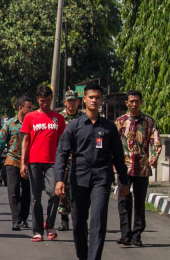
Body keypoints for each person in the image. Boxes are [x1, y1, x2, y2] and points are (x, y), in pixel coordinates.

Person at [55, 83, 129, 260]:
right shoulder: (74, 126)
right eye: (91, 97)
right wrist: (59, 179)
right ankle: (82, 256)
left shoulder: (109, 128)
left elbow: (118, 156)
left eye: (97, 97)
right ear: (84, 100)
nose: (94, 100)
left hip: (101, 179)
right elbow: (62, 153)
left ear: (102, 100)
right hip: (79, 178)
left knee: (98, 219)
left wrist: (124, 181)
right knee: (79, 221)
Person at [114, 89, 161, 247]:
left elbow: (156, 141)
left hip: (142, 168)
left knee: (139, 203)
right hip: (124, 169)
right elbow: (112, 143)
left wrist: (154, 156)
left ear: (141, 102)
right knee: (124, 201)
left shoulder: (149, 122)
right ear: (127, 103)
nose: (134, 104)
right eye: (131, 101)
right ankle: (125, 234)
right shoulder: (120, 122)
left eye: (137, 101)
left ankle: (137, 234)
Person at [20, 85, 65, 242]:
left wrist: (62, 162)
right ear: (37, 100)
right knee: (35, 198)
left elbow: (61, 142)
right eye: (41, 101)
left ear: (51, 98)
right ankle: (37, 230)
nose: (44, 104)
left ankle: (50, 225)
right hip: (34, 161)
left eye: (47, 101)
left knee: (54, 193)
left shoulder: (58, 118)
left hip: (53, 162)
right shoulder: (30, 117)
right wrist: (23, 163)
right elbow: (25, 140)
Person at [0, 96, 32, 231]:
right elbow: (0, 143)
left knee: (27, 192)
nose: (31, 110)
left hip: (28, 161)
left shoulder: (32, 123)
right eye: (29, 107)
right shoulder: (9, 124)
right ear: (20, 108)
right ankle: (15, 219)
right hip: (12, 160)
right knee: (13, 191)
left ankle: (23, 218)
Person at [57, 89, 84, 231]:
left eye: (74, 100)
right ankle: (64, 218)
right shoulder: (60, 118)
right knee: (63, 189)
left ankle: (78, 218)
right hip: (64, 159)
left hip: (79, 159)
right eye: (69, 101)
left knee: (78, 189)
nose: (71, 103)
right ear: (65, 102)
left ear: (78, 102)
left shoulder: (83, 118)